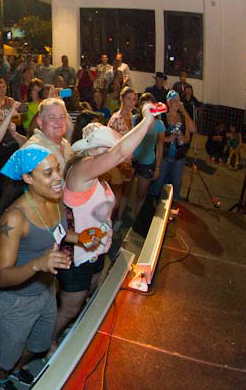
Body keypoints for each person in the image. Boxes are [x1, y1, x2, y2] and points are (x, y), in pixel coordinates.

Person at [54, 104, 157, 348]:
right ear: (94, 150)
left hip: (96, 253)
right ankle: (49, 341)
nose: (111, 154)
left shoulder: (98, 175)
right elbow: (121, 154)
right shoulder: (82, 169)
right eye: (107, 149)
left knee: (87, 296)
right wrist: (146, 120)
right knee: (69, 309)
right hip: (78, 257)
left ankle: (72, 332)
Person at [0, 146, 72, 389]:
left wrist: (83, 237)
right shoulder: (14, 218)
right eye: (48, 173)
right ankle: (2, 377)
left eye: (57, 169)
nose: (57, 177)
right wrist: (39, 263)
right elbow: (2, 277)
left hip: (46, 292)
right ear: (28, 179)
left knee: (38, 345)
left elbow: (56, 233)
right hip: (15, 303)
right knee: (8, 354)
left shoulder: (54, 198)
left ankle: (17, 368)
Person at [150, 91, 195, 201]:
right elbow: (154, 137)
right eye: (174, 100)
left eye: (179, 101)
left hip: (178, 158)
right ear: (168, 103)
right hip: (163, 157)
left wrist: (182, 140)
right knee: (159, 182)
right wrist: (167, 139)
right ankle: (152, 207)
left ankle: (173, 206)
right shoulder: (162, 118)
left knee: (176, 183)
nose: (177, 103)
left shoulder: (183, 118)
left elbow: (192, 131)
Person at [132, 93, 165, 221]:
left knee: (141, 194)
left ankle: (136, 220)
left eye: (150, 104)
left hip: (147, 162)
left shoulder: (159, 125)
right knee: (125, 191)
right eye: (144, 104)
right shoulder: (134, 119)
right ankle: (119, 218)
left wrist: (157, 167)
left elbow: (160, 147)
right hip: (131, 159)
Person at [107, 87, 137, 227]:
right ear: (122, 99)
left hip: (129, 161)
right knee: (116, 196)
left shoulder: (132, 117)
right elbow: (109, 145)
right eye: (128, 99)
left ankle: (118, 219)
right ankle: (108, 222)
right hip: (116, 163)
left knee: (126, 191)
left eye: (134, 99)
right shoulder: (116, 119)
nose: (132, 102)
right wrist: (120, 164)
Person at [24, 98, 74, 170]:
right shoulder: (34, 149)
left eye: (62, 117)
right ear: (40, 122)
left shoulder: (65, 144)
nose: (58, 122)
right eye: (52, 118)